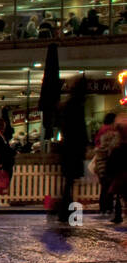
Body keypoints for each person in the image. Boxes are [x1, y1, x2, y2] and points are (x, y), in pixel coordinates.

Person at [55, 77, 89, 223]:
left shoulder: (67, 105)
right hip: (74, 149)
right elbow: (80, 128)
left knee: (68, 181)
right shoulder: (77, 106)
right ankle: (66, 210)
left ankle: (65, 209)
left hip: (68, 148)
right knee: (70, 181)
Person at [91, 113, 119, 215]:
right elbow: (111, 147)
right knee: (109, 186)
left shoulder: (102, 129)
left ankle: (104, 208)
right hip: (106, 161)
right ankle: (108, 208)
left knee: (104, 186)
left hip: (100, 161)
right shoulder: (110, 131)